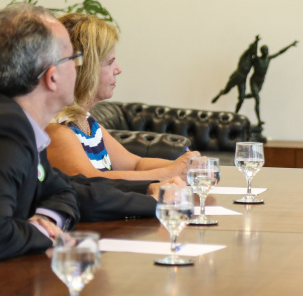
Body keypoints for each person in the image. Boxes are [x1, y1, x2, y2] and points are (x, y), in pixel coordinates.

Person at [0, 5, 158, 285]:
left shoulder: (8, 118)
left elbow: (67, 191)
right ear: (52, 76)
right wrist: (43, 232)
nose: (79, 68)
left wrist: (153, 198)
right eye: (74, 58)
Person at [45, 13, 198, 182]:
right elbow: (92, 181)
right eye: (110, 62)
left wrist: (183, 165)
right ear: (86, 69)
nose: (118, 69)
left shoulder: (86, 122)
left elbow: (135, 164)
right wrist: (169, 173)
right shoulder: (58, 129)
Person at [246, 39, 298, 126]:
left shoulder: (268, 59)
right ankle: (259, 120)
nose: (266, 52)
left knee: (253, 95)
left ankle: (243, 96)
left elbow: (280, 52)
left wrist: (291, 45)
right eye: (264, 50)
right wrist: (256, 42)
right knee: (257, 99)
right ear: (261, 51)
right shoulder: (257, 59)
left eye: (267, 50)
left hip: (261, 81)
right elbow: (252, 53)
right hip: (254, 81)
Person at [212, 35, 260, 111]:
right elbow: (250, 49)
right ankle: (219, 95)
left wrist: (257, 43)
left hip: (243, 79)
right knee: (226, 91)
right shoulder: (244, 57)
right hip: (237, 76)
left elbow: (256, 53)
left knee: (242, 98)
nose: (254, 52)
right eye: (253, 50)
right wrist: (256, 41)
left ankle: (236, 113)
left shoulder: (252, 60)